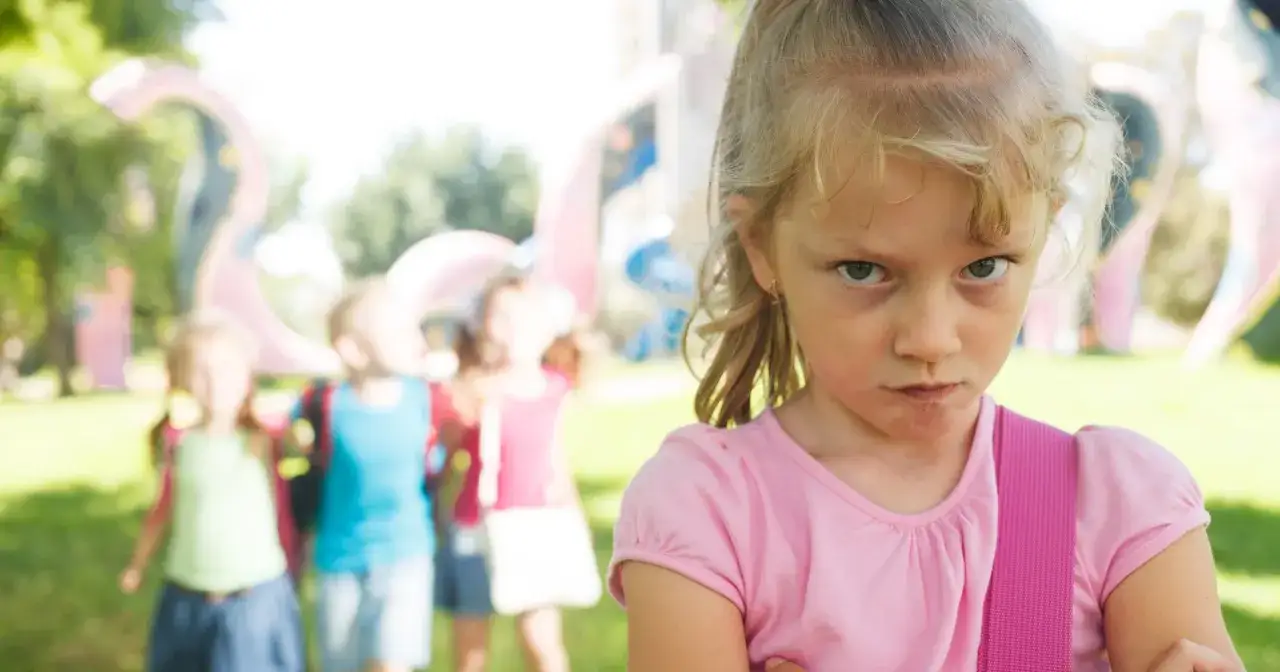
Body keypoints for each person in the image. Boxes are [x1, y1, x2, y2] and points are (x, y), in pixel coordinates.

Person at [607, 1, 1243, 671]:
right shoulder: (709, 516)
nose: (930, 340)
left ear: (1044, 226)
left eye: (984, 267)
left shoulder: (1120, 509)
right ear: (762, 245)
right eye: (864, 270)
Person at [120, 312, 303, 672]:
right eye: (202, 371)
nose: (216, 382)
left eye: (228, 370)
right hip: (187, 600)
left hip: (252, 601)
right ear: (182, 379)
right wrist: (137, 565)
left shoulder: (263, 440)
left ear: (248, 376)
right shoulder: (180, 445)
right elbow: (162, 511)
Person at [434, 274, 587, 672]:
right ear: (482, 326)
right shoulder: (473, 391)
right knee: (471, 654)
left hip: (534, 528)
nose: (516, 325)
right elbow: (442, 463)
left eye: (526, 314)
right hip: (474, 530)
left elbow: (557, 459)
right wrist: (436, 517)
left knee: (543, 643)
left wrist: (573, 517)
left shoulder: (556, 389)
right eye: (502, 315)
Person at [297, 278, 438, 672]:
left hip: (406, 556)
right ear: (353, 350)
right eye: (398, 331)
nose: (414, 339)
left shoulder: (425, 399)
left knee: (391, 665)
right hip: (339, 562)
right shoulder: (325, 405)